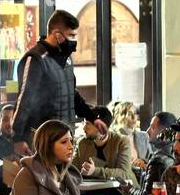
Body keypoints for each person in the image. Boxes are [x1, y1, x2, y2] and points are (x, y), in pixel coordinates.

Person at [10, 10, 108, 154]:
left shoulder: (66, 59)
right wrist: (18, 138)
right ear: (57, 34)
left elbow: (71, 94)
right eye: (71, 36)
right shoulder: (35, 59)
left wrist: (93, 118)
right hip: (43, 139)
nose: (74, 41)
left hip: (66, 136)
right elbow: (24, 101)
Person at [72, 106, 139, 192]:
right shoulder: (82, 143)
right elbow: (73, 170)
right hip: (92, 192)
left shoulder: (121, 141)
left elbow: (124, 173)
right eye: (84, 123)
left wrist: (95, 171)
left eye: (87, 124)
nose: (84, 128)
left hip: (122, 192)